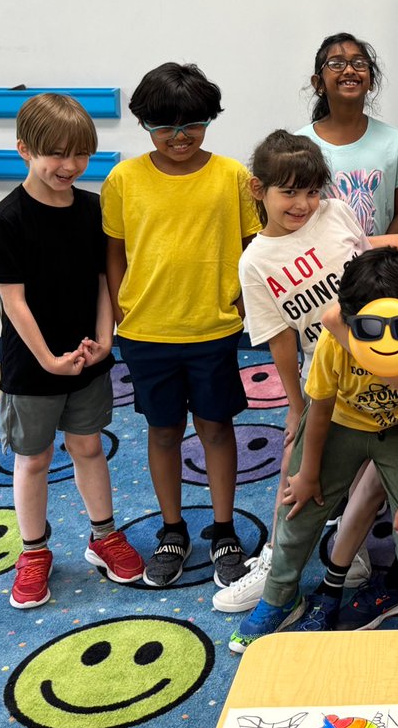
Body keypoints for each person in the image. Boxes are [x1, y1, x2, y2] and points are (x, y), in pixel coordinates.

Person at [219, 130, 398, 618]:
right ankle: (277, 572)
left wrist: (397, 374)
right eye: (290, 192)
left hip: (390, 355)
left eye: (312, 190)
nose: (303, 203)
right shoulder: (255, 261)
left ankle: (350, 554)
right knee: (299, 473)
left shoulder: (335, 214)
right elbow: (279, 337)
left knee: (372, 469)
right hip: (329, 379)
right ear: (260, 190)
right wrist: (294, 406)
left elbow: (363, 285)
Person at [230, 248, 398, 650]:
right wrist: (308, 472)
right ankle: (279, 598)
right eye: (370, 329)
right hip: (339, 423)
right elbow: (320, 410)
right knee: (296, 510)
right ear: (350, 323)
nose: (387, 341)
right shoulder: (335, 344)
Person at [103, 62, 262, 588]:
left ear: (210, 120)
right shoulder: (123, 179)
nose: (179, 136)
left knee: (217, 428)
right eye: (164, 124)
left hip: (212, 330)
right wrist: (120, 307)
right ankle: (172, 528)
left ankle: (223, 528)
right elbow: (116, 252)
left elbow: (250, 248)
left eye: (192, 123)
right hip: (146, 332)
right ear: (144, 122)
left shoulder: (233, 176)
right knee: (163, 430)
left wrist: (242, 302)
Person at [0, 93, 143, 608]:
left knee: (89, 446)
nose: (70, 166)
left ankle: (104, 534)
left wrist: (105, 339)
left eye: (81, 155)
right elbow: (14, 301)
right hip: (32, 367)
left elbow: (102, 281)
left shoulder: (93, 209)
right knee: (33, 459)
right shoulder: (8, 219)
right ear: (25, 150)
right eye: (56, 154)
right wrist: (48, 359)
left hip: (87, 358)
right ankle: (32, 552)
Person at [298, 32, 398, 234]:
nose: (350, 70)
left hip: (379, 263)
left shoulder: (392, 141)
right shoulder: (301, 145)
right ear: (318, 83)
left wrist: (378, 257)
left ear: (370, 81)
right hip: (323, 262)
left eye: (359, 63)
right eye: (337, 64)